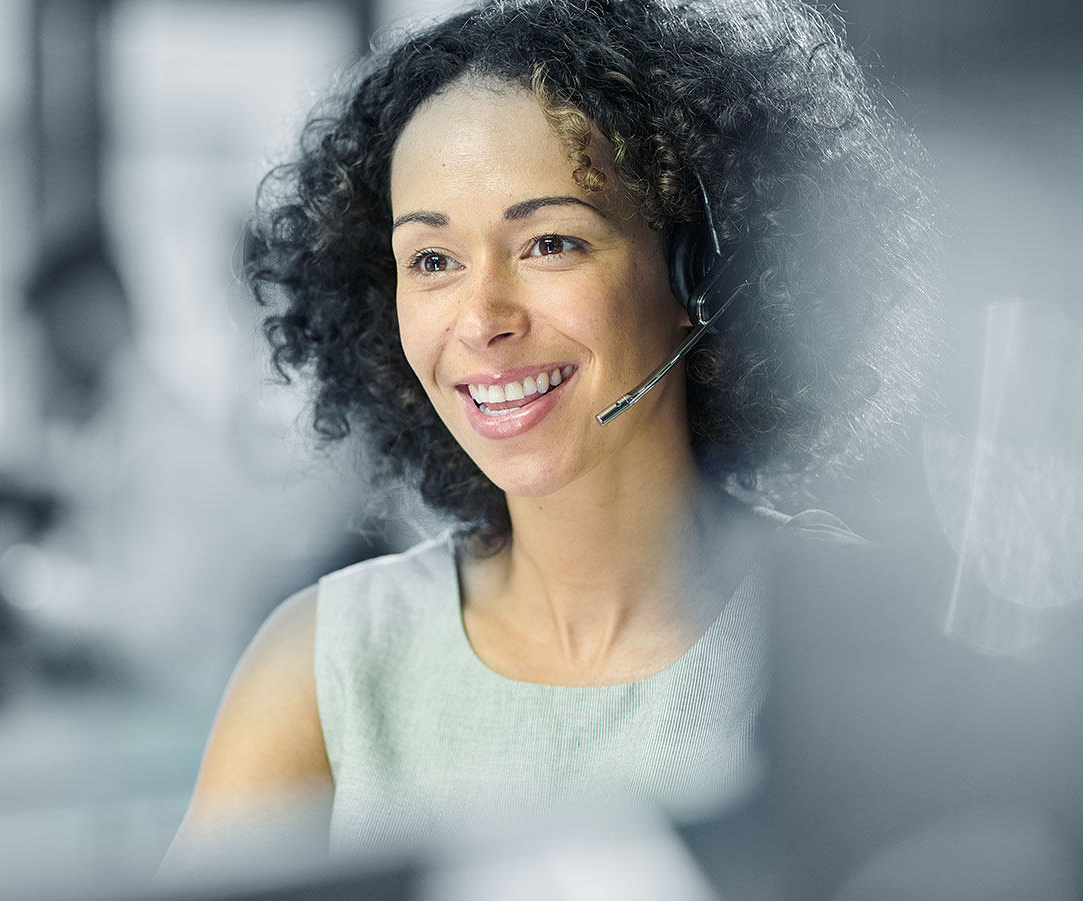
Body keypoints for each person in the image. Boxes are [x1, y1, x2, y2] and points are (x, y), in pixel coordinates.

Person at [164, 0, 934, 869]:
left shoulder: (858, 646)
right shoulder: (324, 664)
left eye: (551, 242)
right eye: (432, 261)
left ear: (706, 272)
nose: (482, 319)